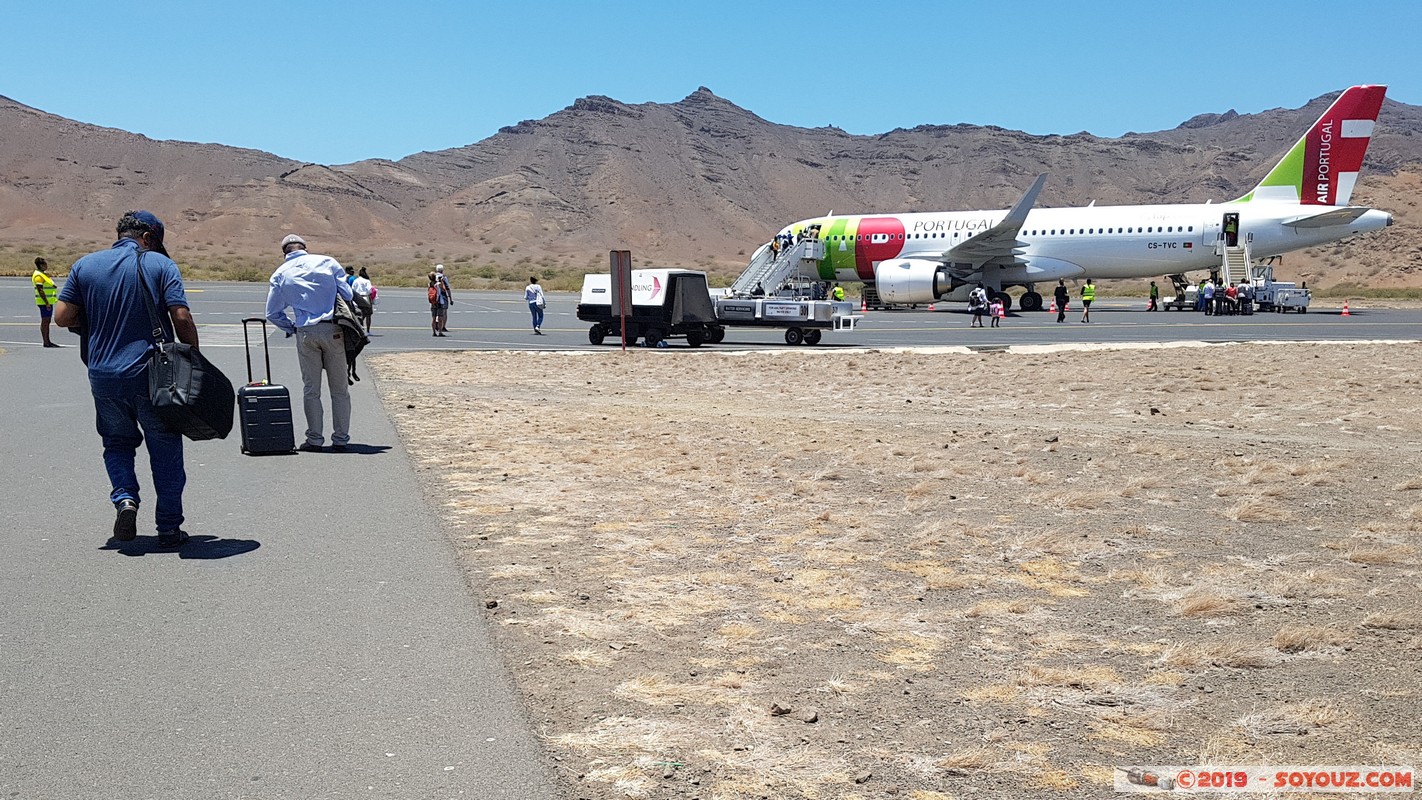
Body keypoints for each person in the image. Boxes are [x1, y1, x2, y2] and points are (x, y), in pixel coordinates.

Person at [53, 211, 196, 546]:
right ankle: (169, 529)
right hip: (152, 376)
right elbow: (181, 316)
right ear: (147, 237)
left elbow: (61, 317)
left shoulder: (85, 265)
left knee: (117, 444)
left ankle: (125, 499)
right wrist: (192, 359)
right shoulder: (160, 266)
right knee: (165, 449)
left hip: (103, 375)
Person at [265, 234, 353, 452]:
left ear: (284, 252)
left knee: (311, 389)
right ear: (305, 248)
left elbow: (272, 312)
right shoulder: (327, 262)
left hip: (305, 332)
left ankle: (315, 439)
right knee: (339, 389)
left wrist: (291, 327)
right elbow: (348, 294)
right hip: (332, 329)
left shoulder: (280, 274)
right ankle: (340, 439)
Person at [33, 257, 60, 347]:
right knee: (45, 321)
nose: (47, 266)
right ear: (41, 265)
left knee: (47, 321)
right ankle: (46, 341)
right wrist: (46, 303)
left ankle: (47, 341)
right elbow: (40, 290)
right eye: (45, 264)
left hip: (48, 301)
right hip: (44, 302)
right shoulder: (38, 276)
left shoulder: (43, 274)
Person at [353, 267, 375, 331]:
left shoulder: (356, 280)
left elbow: (353, 289)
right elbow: (369, 290)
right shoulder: (367, 281)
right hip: (365, 297)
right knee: (368, 315)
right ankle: (368, 330)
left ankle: (360, 328)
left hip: (357, 298)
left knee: (360, 314)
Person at [433, 264, 453, 333]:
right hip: (443, 296)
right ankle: (442, 326)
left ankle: (436, 323)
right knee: (444, 312)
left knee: (436, 312)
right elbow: (447, 288)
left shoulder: (433, 276)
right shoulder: (443, 277)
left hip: (434, 297)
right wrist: (450, 298)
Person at [428, 272, 448, 336]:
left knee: (433, 318)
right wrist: (441, 281)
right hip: (439, 302)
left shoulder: (430, 284)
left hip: (433, 302)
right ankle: (440, 332)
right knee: (440, 318)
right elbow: (444, 290)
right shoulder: (438, 283)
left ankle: (434, 332)